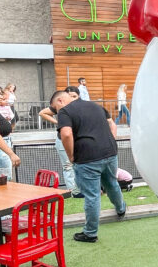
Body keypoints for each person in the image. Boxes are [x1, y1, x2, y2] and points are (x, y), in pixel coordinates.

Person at [52, 89, 126, 242]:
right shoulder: (95, 106)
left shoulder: (65, 112)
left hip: (87, 158)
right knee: (112, 183)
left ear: (60, 101)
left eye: (55, 108)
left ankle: (90, 233)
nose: (56, 112)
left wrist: (71, 155)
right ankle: (121, 209)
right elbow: (111, 123)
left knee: (92, 195)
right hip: (109, 152)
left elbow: (66, 134)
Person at [39, 85, 80, 195]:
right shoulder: (60, 107)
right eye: (70, 96)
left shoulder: (80, 107)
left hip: (77, 139)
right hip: (62, 140)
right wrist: (58, 123)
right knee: (68, 165)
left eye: (74, 96)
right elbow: (42, 112)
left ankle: (80, 188)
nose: (72, 99)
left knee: (79, 164)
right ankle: (72, 190)